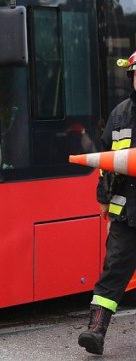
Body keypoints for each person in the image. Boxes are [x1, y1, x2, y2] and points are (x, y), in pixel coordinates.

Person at [78, 50, 136, 355]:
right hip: (127, 214)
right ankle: (95, 332)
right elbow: (106, 162)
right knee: (113, 272)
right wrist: (103, 199)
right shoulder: (120, 115)